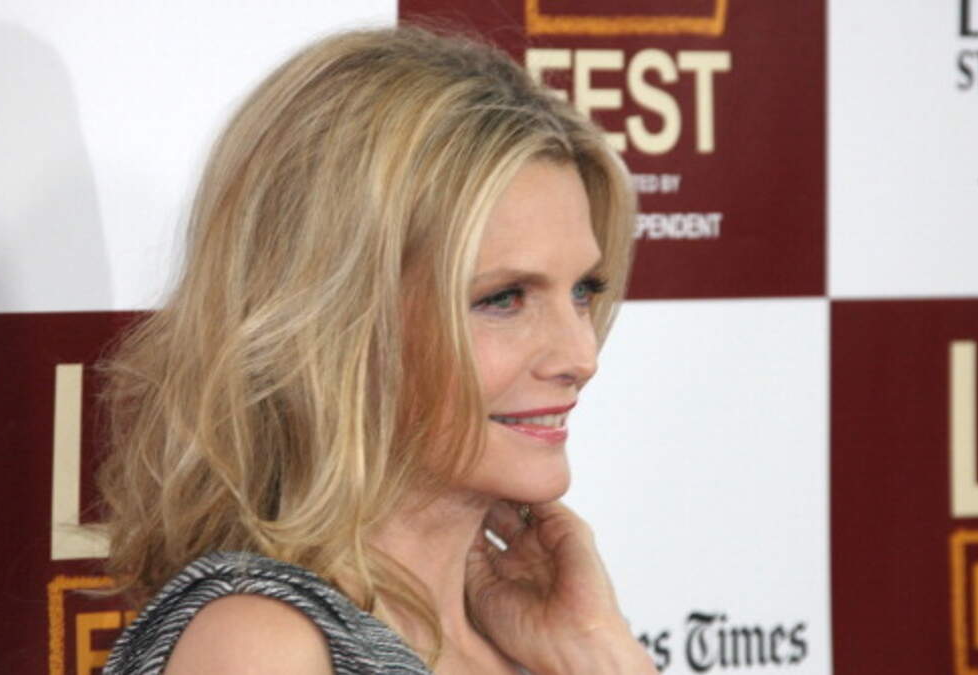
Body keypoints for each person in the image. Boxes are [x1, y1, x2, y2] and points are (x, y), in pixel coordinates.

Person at [97, 25, 654, 674]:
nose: (581, 355)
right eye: (504, 298)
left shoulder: (544, 642)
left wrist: (603, 652)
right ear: (336, 321)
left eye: (584, 290)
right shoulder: (263, 644)